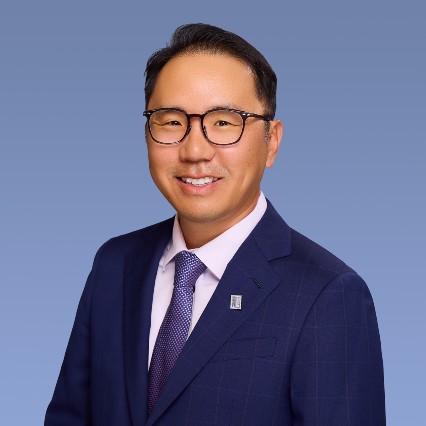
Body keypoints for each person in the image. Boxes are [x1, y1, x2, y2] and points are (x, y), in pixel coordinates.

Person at [45, 23, 386, 425]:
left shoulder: (328, 294)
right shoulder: (115, 264)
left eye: (224, 122)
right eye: (171, 121)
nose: (194, 150)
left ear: (272, 141)